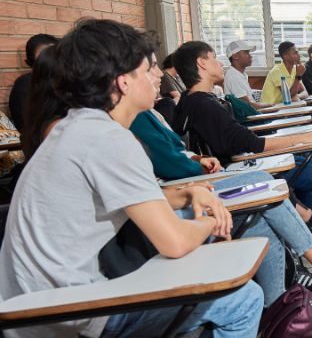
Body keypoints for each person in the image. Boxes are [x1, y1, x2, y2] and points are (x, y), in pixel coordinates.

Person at [0, 19, 262, 337]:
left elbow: (130, 198)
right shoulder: (107, 139)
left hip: (35, 306)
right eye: (148, 69)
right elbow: (176, 242)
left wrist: (189, 193)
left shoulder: (80, 126)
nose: (158, 76)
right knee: (243, 299)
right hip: (68, 314)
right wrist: (213, 221)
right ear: (123, 82)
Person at [130, 106, 312, 291]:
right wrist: (195, 181)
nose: (158, 75)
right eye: (149, 69)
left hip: (192, 184)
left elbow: (177, 151)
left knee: (261, 215)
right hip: (187, 190)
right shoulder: (136, 120)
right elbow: (170, 164)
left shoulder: (148, 113)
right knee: (264, 183)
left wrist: (197, 159)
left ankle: (283, 301)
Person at [172, 41, 312, 229]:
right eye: (214, 58)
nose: (220, 63)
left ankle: (301, 221)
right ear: (202, 63)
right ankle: (307, 229)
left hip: (239, 160)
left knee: (307, 163)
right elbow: (251, 143)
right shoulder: (205, 105)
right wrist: (303, 138)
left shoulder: (191, 99)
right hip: (237, 168)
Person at [8, 34, 59, 132]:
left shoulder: (65, 80)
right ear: (31, 62)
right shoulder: (25, 84)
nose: (50, 61)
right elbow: (29, 124)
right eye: (43, 58)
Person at [225, 40, 272, 110]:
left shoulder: (240, 74)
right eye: (246, 53)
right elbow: (250, 106)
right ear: (235, 56)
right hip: (250, 116)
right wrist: (272, 106)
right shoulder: (233, 77)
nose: (251, 56)